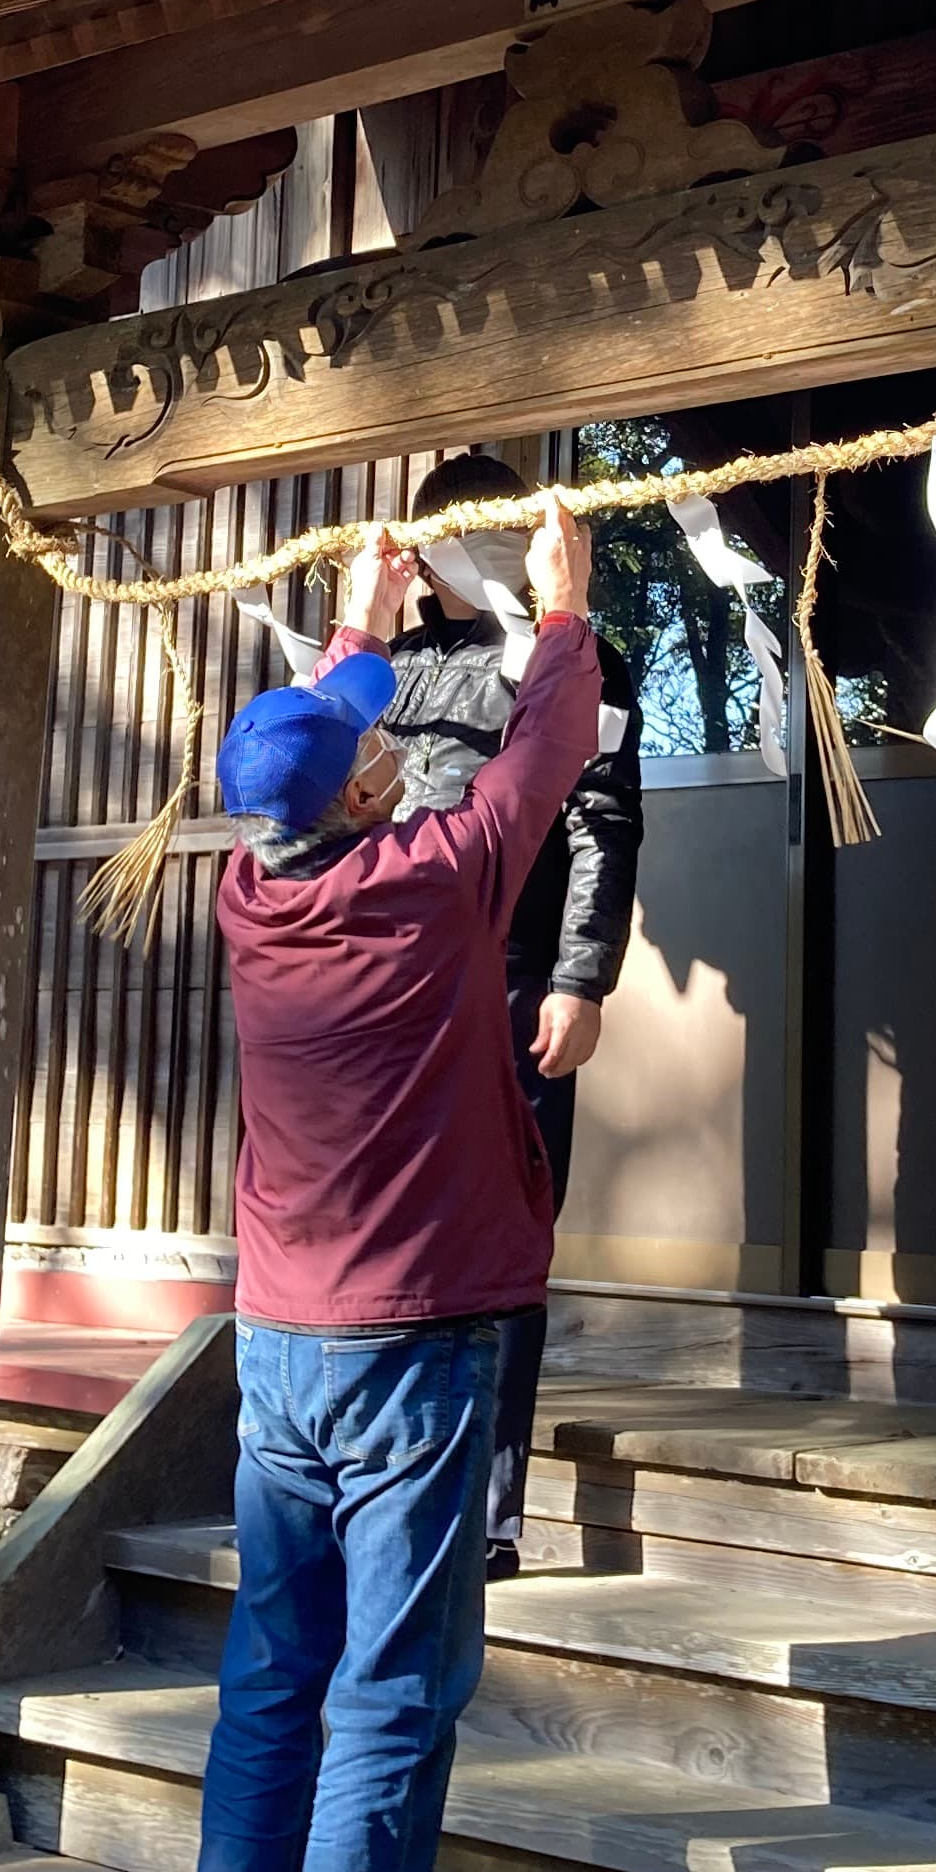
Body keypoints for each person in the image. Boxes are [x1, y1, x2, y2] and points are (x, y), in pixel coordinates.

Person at [186, 498, 602, 1872]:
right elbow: (545, 761)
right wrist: (562, 610)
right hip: (411, 1352)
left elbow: (311, 755)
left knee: (270, 1686)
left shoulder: (253, 893)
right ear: (367, 788)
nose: (385, 754)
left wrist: (354, 623)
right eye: (371, 748)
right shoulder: (427, 884)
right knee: (387, 1701)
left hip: (282, 1343)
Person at [367, 449, 641, 1578]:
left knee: (510, 1228)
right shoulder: (388, 669)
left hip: (521, 970)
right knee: (389, 1223)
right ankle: (383, 1474)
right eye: (453, 542)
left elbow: (602, 825)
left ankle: (490, 1504)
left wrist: (583, 977)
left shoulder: (574, 659)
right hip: (397, 980)